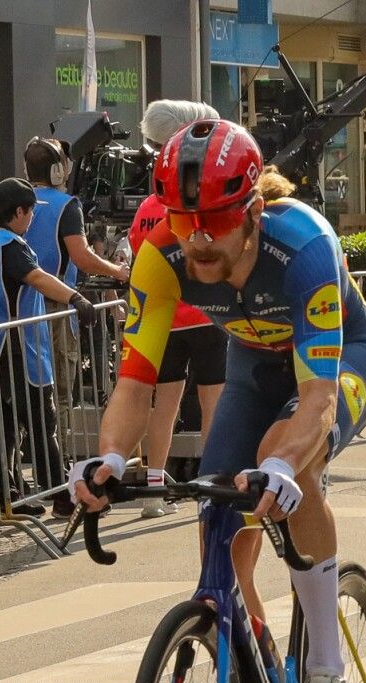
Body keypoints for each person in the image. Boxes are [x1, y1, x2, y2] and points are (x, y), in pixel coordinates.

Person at [70, 119, 366, 683]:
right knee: (219, 538)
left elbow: (319, 398)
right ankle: (262, 678)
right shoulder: (161, 255)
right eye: (184, 221)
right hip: (253, 367)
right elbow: (134, 384)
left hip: (342, 359)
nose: (197, 240)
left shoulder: (303, 245)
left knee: (282, 458)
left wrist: (285, 464)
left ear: (252, 213)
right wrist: (109, 458)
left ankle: (326, 666)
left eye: (213, 222)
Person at [128, 98, 227, 518]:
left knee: (163, 404)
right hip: (205, 313)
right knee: (212, 402)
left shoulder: (147, 207)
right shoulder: (195, 201)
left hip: (163, 319)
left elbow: (137, 253)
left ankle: (153, 490)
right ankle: (214, 484)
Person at [0, 178, 97, 515]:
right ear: (18, 212)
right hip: (19, 349)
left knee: (6, 426)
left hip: (4, 347)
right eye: (29, 212)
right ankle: (61, 496)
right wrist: (75, 298)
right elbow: (38, 277)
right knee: (43, 421)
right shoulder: (11, 246)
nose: (31, 219)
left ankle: (8, 496)